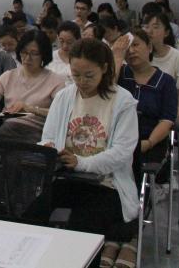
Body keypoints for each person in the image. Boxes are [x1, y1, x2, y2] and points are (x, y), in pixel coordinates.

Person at [40, 39, 139, 268]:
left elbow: (122, 153)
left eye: (89, 75)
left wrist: (81, 162)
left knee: (82, 228)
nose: (82, 82)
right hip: (65, 178)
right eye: (76, 75)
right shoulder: (65, 97)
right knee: (30, 214)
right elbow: (48, 137)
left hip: (106, 185)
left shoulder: (122, 101)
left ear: (104, 68)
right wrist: (49, 148)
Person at [0, 30, 65, 142]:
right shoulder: (9, 76)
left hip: (38, 132)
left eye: (34, 53)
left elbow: (61, 113)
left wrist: (31, 109)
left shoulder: (56, 81)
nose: (27, 58)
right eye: (24, 52)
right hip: (9, 128)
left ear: (44, 55)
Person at [115, 30, 177, 165]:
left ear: (149, 47)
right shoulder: (119, 75)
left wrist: (148, 143)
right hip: (117, 141)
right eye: (127, 48)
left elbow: (167, 120)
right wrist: (117, 59)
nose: (131, 51)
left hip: (149, 142)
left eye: (135, 45)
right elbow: (106, 92)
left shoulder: (166, 81)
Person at [144, 12, 179, 127]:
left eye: (155, 27)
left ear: (166, 32)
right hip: (147, 113)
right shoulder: (141, 56)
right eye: (146, 27)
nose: (149, 31)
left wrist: (173, 118)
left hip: (175, 114)